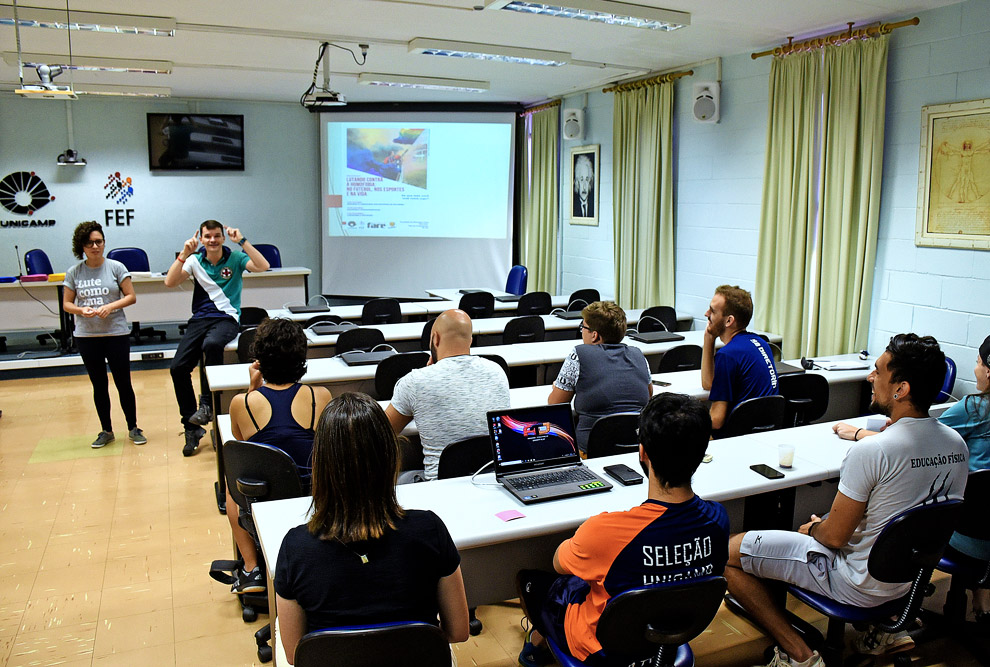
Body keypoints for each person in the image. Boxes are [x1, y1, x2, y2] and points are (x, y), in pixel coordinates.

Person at [726, 334, 969, 667]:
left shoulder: (873, 451)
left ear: (901, 389)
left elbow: (835, 538)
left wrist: (813, 530)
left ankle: (798, 654)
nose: (870, 377)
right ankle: (887, 631)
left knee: (728, 553)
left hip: (855, 584)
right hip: (910, 584)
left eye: (878, 371)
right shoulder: (956, 445)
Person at [516, 393, 729, 666]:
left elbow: (559, 562)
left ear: (643, 453)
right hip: (668, 636)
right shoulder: (718, 519)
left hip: (602, 648)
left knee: (535, 582)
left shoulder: (605, 531)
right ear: (702, 453)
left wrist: (587, 538)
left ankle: (538, 644)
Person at [274, 393, 470, 665]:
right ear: (390, 458)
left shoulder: (295, 547)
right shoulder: (430, 529)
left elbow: (296, 654)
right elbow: (459, 631)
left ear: (321, 464)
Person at [833, 333, 990, 627]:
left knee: (865, 520)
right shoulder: (958, 446)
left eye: (979, 362)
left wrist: (858, 434)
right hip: (971, 536)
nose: (975, 369)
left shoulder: (974, 410)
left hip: (957, 538)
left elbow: (919, 434)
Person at [225, 318, 332, 594]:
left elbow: (244, 446)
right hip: (315, 500)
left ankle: (252, 568)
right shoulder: (319, 396)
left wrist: (253, 387)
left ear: (259, 360)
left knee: (231, 481)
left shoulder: (242, 403)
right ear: (301, 357)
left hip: (265, 503)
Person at [164, 220, 269, 456]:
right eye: (207, 236)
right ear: (201, 239)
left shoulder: (236, 258)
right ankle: (191, 427)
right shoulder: (194, 260)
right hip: (199, 320)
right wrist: (184, 253)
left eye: (216, 236)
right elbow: (169, 282)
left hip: (227, 318)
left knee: (211, 345)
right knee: (177, 368)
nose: (212, 240)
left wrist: (242, 240)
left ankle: (206, 403)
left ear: (223, 237)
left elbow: (263, 266)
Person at [385, 309, 510, 480]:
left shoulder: (415, 382)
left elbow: (383, 432)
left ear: (435, 338)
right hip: (491, 480)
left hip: (439, 488)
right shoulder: (497, 371)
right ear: (470, 340)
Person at [62, 221, 145, 449]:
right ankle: (106, 430)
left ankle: (133, 427)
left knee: (123, 383)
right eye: (90, 243)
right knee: (99, 384)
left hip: (115, 333)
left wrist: (111, 307)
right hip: (87, 337)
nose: (95, 246)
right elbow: (67, 304)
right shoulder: (74, 272)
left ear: (104, 243)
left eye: (99, 241)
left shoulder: (116, 267)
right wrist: (81, 310)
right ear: (82, 246)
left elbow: (131, 296)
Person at [548, 300, 652, 454]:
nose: (581, 331)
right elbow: (648, 395)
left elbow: (555, 404)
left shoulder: (579, 354)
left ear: (594, 335)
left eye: (583, 327)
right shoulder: (638, 354)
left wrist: (558, 386)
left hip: (590, 451)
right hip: (635, 448)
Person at [701, 284, 778, 433]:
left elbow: (716, 421)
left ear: (729, 321)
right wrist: (708, 338)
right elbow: (709, 384)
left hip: (737, 435)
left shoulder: (728, 355)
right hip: (764, 431)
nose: (706, 314)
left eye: (713, 311)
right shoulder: (761, 343)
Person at [572, 154, 595, 218]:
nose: (584, 187)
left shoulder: (593, 206)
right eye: (581, 180)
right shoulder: (573, 206)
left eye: (587, 180)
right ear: (577, 182)